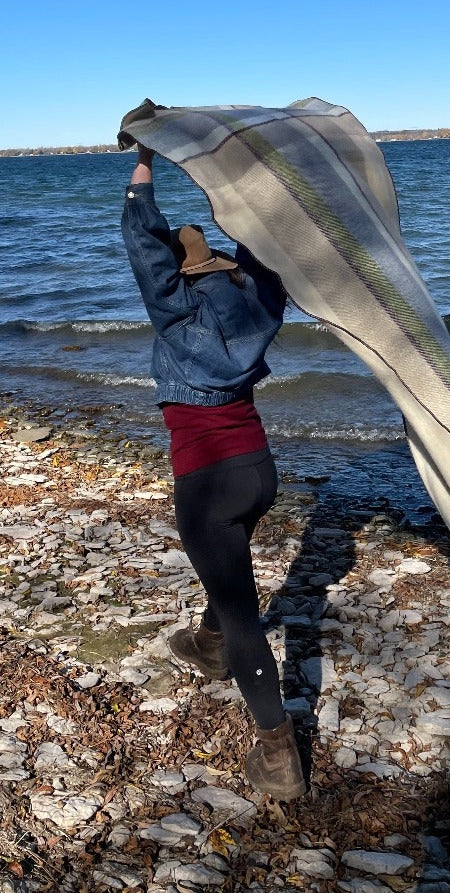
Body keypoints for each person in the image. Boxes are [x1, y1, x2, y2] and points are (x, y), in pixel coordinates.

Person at [120, 143, 306, 800]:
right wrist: (245, 195)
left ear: (182, 271)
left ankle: (279, 751)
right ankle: (204, 643)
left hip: (209, 482)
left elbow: (142, 238)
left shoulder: (177, 307)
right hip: (259, 472)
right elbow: (267, 250)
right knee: (226, 569)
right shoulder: (259, 301)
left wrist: (144, 160)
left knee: (242, 610)